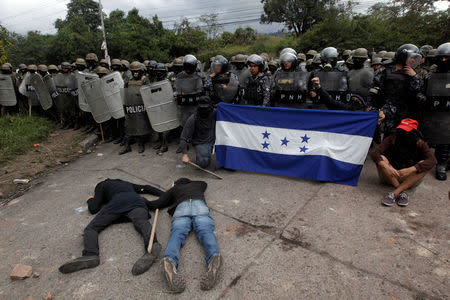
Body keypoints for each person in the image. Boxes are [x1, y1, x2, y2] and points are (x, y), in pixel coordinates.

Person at [58, 179, 164, 275]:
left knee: (92, 228)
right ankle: (152, 245)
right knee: (142, 222)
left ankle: (90, 254)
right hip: (137, 201)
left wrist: (90, 199)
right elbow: (146, 188)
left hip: (118, 203)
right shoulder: (125, 183)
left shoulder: (101, 185)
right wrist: (165, 195)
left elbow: (94, 208)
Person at [146, 178, 222, 293]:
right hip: (199, 205)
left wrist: (142, 201)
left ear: (176, 183)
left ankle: (169, 260)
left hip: (182, 207)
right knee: (206, 231)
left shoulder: (175, 189)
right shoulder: (198, 185)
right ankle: (214, 256)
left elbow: (157, 203)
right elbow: (204, 184)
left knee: (177, 233)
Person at [371, 119, 436, 207]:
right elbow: (375, 153)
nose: (403, 133)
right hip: (390, 175)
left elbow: (433, 160)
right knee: (381, 159)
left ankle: (395, 193)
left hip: (409, 179)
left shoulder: (420, 143)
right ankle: (402, 192)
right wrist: (387, 167)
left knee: (424, 164)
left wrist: (412, 169)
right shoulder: (392, 138)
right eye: (401, 130)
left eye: (406, 131)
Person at [368, 44, 425, 136]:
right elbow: (373, 93)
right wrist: (376, 111)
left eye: (415, 58)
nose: (413, 60)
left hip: (406, 118)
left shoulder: (413, 74)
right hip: (387, 116)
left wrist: (414, 77)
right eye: (411, 57)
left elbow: (418, 94)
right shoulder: (384, 71)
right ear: (403, 57)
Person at [421, 42, 450, 181]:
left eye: (447, 58)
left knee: (444, 141)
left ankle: (441, 165)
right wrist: (424, 99)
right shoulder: (429, 76)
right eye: (441, 58)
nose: (443, 61)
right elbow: (421, 93)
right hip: (431, 112)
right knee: (426, 139)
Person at [120, 61, 152, 155]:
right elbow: (125, 92)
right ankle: (127, 146)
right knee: (128, 124)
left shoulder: (145, 80)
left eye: (137, 71)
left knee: (141, 125)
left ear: (141, 71)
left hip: (141, 106)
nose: (136, 73)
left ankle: (141, 144)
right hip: (130, 106)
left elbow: (148, 92)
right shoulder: (128, 80)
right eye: (134, 71)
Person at [179, 96, 216, 169]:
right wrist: (185, 154)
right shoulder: (193, 118)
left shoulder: (215, 113)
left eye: (206, 108)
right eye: (202, 108)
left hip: (216, 138)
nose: (204, 110)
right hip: (202, 142)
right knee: (203, 162)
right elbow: (183, 137)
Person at [174, 54, 204, 126]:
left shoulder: (199, 76)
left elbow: (200, 91)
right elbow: (176, 89)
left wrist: (187, 94)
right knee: (184, 125)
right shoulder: (180, 76)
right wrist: (177, 94)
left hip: (196, 106)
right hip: (184, 106)